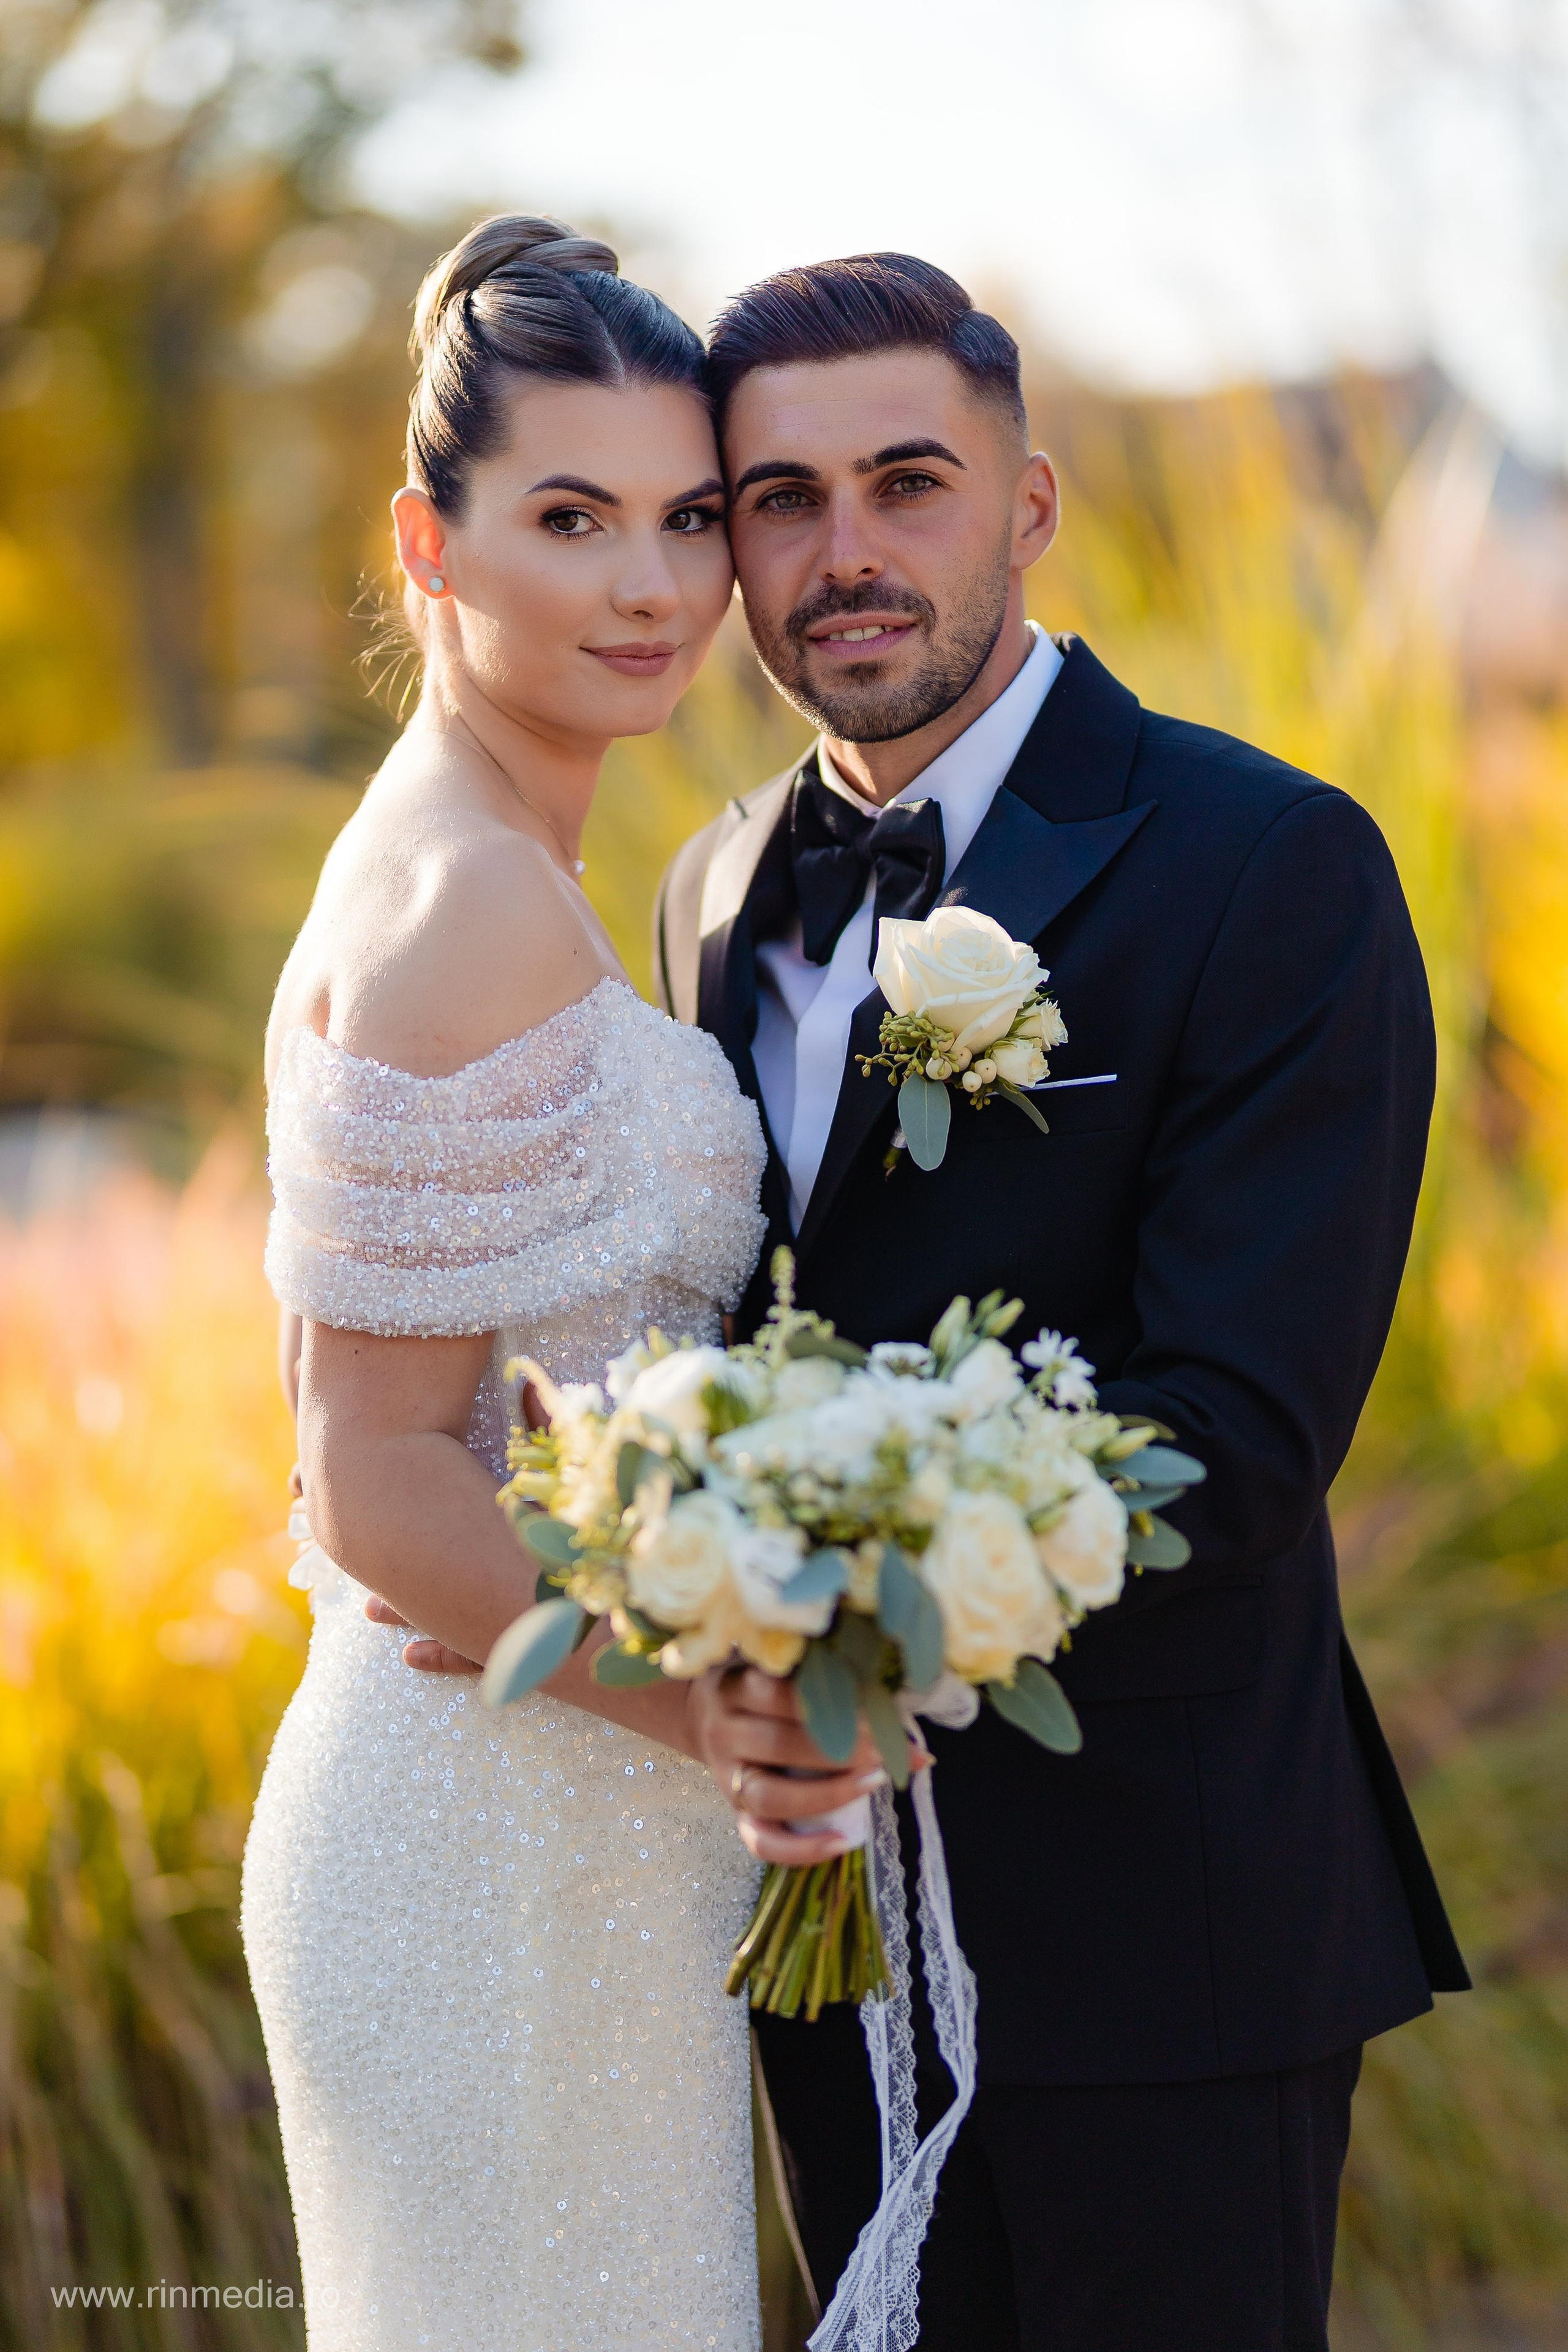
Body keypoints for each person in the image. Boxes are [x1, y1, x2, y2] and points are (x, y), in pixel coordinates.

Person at [650, 254, 1471, 2352]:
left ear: (1028, 503)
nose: (847, 555)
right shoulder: (715, 880)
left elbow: (1244, 1432)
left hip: (1165, 1924)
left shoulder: (1266, 861)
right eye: (780, 499)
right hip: (819, 1922)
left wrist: (858, 1621)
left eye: (908, 483)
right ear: (727, 542)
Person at [240, 215, 817, 2352]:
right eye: (569, 519)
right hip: (492, 1861)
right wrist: (720, 1720)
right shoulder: (470, 902)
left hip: (557, 1833)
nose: (653, 586)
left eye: (686, 518)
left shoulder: (479, 853)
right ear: (431, 540)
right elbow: (371, 1484)